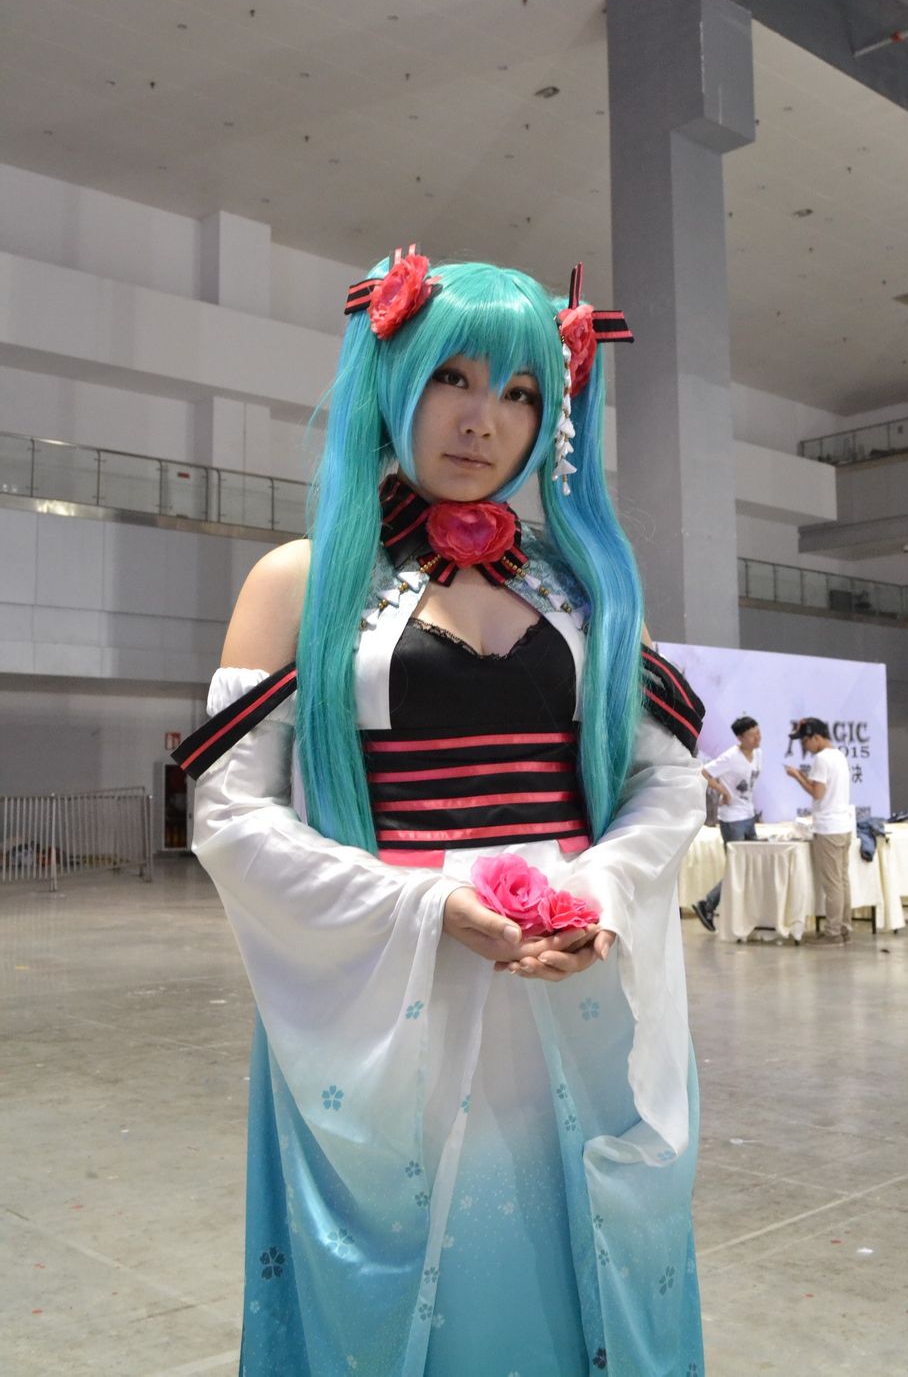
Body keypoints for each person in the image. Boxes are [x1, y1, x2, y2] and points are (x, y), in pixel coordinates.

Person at [175, 253, 708, 1375]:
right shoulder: (302, 579)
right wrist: (420, 907)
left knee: (577, 1277)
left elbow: (666, 783)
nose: (483, 420)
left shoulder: (591, 586)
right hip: (388, 991)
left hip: (571, 986)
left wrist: (600, 895)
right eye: (452, 378)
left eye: (519, 392)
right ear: (392, 379)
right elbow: (228, 810)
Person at [784, 717, 855, 944]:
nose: (804, 746)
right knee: (842, 880)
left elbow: (817, 793)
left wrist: (797, 776)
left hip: (828, 828)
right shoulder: (839, 755)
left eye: (805, 741)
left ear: (816, 737)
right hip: (844, 826)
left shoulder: (821, 759)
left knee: (833, 884)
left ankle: (833, 932)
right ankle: (844, 927)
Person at [692, 715, 761, 932]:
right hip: (732, 819)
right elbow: (704, 772)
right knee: (737, 867)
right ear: (740, 738)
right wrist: (723, 791)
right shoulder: (731, 757)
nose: (757, 738)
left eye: (758, 733)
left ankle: (746, 913)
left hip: (748, 816)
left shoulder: (758, 754)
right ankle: (707, 904)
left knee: (752, 865)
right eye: (752, 735)